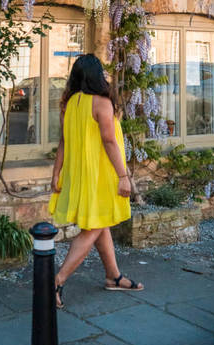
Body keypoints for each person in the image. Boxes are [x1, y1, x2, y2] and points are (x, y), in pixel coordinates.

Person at [49, 53, 144, 309]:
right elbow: (109, 141)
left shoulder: (69, 103)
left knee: (100, 223)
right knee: (92, 228)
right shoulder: (101, 102)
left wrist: (56, 173)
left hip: (80, 174)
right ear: (97, 76)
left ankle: (113, 276)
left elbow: (63, 142)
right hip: (100, 175)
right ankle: (57, 281)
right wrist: (123, 176)